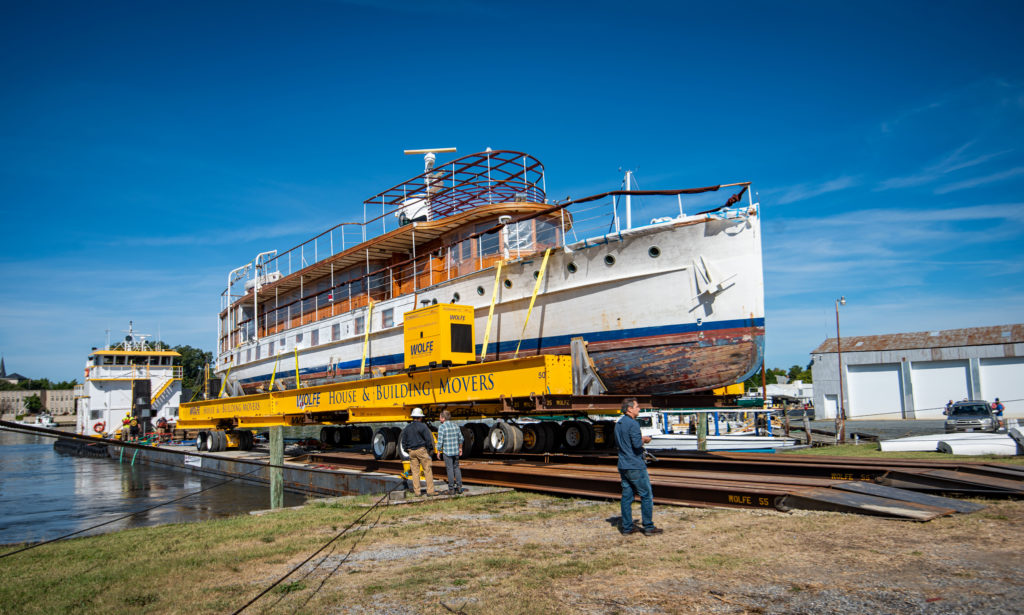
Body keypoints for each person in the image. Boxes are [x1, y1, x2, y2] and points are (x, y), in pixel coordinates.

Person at [614, 398, 662, 536]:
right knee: (646, 495)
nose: (639, 409)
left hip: (623, 464)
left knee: (627, 496)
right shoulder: (633, 424)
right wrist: (645, 439)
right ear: (629, 409)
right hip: (635, 464)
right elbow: (636, 444)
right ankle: (648, 527)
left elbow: (620, 442)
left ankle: (627, 527)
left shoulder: (619, 423)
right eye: (637, 406)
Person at [401, 407, 436, 497]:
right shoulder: (423, 426)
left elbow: (403, 441)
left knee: (415, 473)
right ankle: (430, 491)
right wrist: (429, 450)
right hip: (421, 450)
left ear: (413, 417)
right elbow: (428, 440)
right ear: (420, 417)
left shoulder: (407, 428)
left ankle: (417, 492)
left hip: (411, 451)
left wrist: (407, 450)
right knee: (427, 470)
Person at [435, 410, 464, 495]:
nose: (439, 419)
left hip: (447, 452)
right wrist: (460, 448)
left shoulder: (442, 427)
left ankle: (451, 489)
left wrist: (438, 451)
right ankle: (459, 487)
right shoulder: (455, 426)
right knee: (456, 468)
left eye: (440, 417)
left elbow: (440, 441)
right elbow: (461, 439)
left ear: (443, 418)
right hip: (456, 451)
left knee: (450, 469)